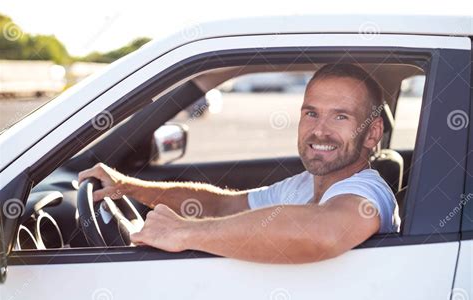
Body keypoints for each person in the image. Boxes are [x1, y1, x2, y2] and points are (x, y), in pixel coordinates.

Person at [78, 64, 400, 264]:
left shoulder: (366, 191)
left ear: (371, 135)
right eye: (311, 113)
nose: (319, 130)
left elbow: (322, 232)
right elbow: (221, 206)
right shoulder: (303, 184)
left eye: (340, 116)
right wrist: (129, 187)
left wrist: (186, 232)